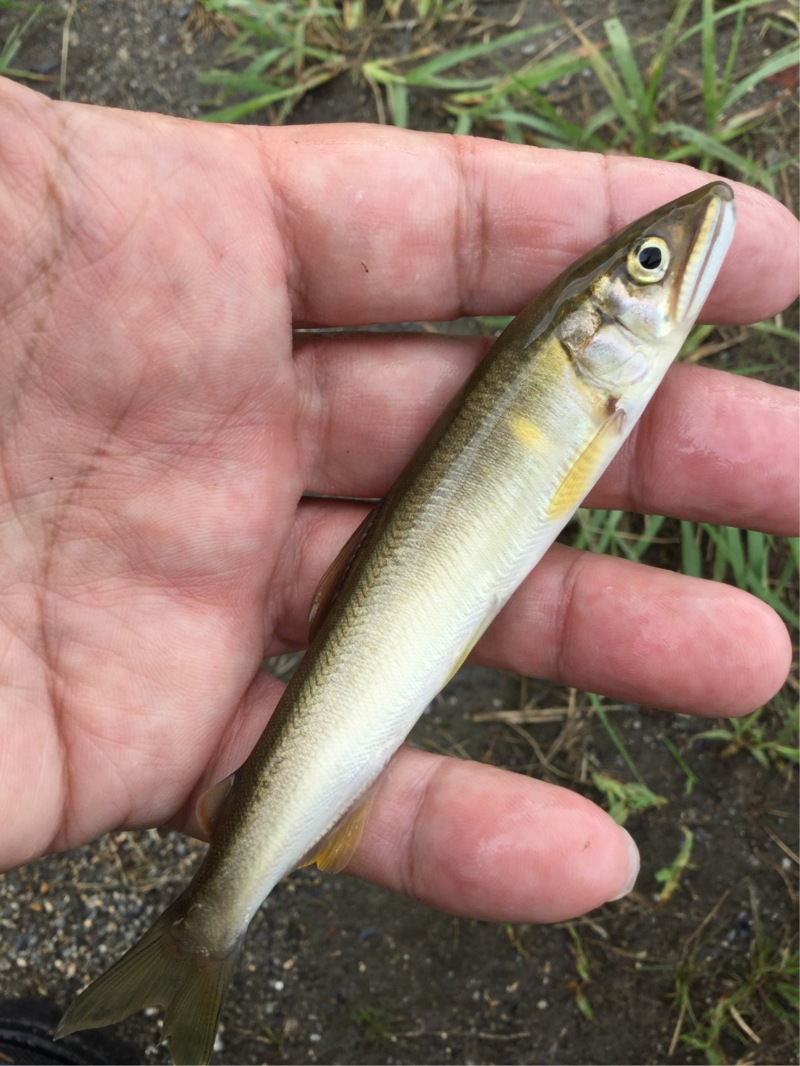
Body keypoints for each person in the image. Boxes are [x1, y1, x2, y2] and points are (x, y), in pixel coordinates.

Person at [0, 75, 797, 928]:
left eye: (648, 262)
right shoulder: (585, 375)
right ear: (588, 333)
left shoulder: (592, 375)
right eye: (650, 265)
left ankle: (210, 921)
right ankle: (208, 924)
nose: (672, 259)